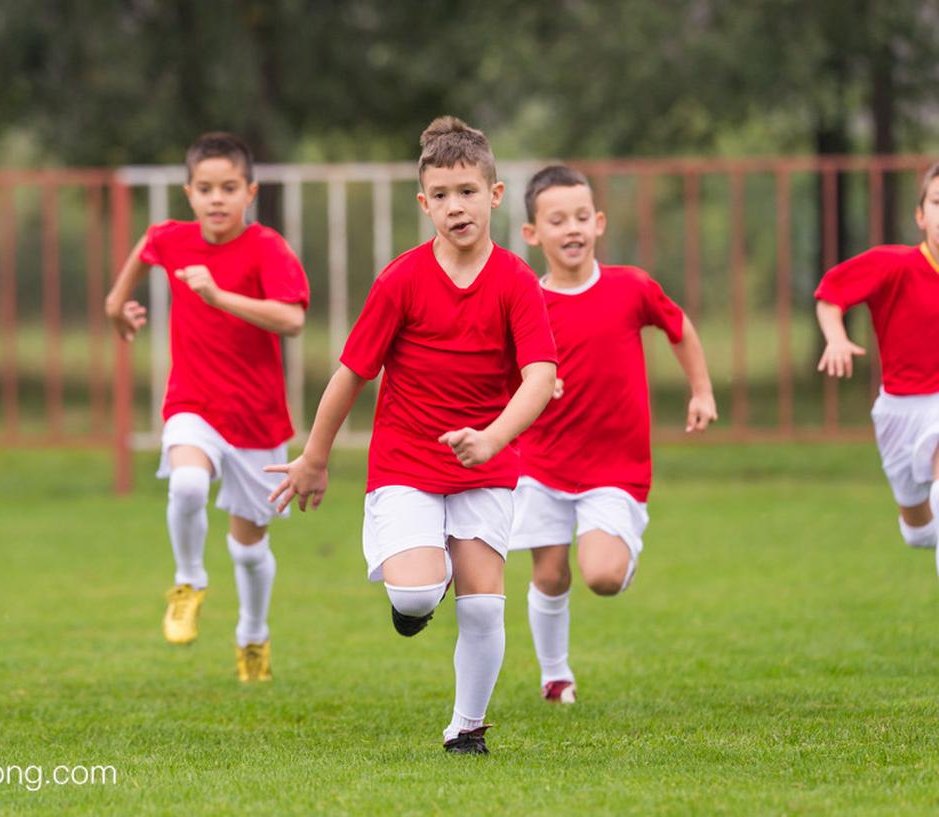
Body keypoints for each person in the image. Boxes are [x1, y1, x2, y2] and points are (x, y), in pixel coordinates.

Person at [267, 116, 557, 754]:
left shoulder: (514, 281)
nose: (458, 207)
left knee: (484, 603)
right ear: (424, 204)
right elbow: (350, 376)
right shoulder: (400, 280)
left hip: (486, 465)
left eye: (469, 192)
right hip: (406, 464)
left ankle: (467, 730)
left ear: (496, 195)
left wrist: (492, 438)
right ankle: (418, 598)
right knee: (419, 593)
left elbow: (540, 377)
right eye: (444, 196)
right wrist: (313, 459)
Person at [104, 132, 309, 682]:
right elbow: (147, 248)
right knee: (188, 486)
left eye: (229, 188)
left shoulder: (267, 248)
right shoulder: (173, 239)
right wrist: (115, 306)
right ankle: (189, 581)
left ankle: (253, 635)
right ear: (188, 193)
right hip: (193, 404)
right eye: (205, 188)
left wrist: (218, 295)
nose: (217, 199)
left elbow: (291, 320)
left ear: (250, 192)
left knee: (249, 547)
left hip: (258, 421)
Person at [510, 165, 716, 705]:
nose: (571, 229)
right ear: (533, 233)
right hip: (541, 462)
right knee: (550, 574)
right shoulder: (524, 301)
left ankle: (621, 548)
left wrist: (702, 391)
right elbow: (502, 369)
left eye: (581, 217)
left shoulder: (632, 287)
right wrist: (531, 390)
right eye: (557, 220)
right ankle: (555, 677)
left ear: (599, 222)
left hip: (614, 468)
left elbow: (680, 328)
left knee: (600, 575)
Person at [814, 161, 939, 569]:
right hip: (899, 412)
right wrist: (836, 338)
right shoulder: (893, 265)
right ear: (921, 216)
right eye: (938, 202)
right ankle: (923, 528)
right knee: (920, 531)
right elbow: (831, 294)